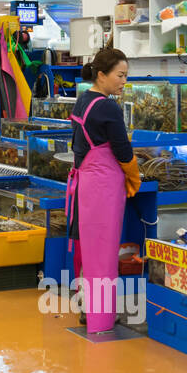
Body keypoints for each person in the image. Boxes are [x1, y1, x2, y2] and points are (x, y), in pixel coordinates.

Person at [65, 48, 141, 335]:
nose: (123, 81)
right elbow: (122, 149)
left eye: (126, 76)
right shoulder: (108, 106)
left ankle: (88, 308)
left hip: (85, 183)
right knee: (104, 253)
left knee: (89, 250)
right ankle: (101, 318)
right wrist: (134, 177)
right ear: (102, 75)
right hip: (104, 186)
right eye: (120, 76)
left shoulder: (83, 99)